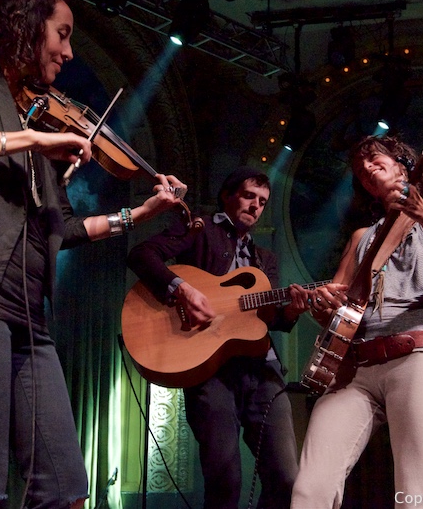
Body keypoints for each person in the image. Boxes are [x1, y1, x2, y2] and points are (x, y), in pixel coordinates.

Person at [0, 0, 186, 509]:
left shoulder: (37, 117)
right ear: (27, 26)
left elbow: (66, 230)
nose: (68, 50)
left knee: (64, 489)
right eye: (61, 33)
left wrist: (139, 213)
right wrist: (32, 138)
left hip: (28, 317)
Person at [290, 135, 423, 509]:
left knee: (416, 494)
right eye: (359, 170)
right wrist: (319, 305)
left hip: (417, 356)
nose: (367, 171)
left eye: (374, 161)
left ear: (403, 166)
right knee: (311, 489)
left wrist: (421, 212)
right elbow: (338, 308)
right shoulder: (362, 237)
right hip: (356, 367)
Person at [126, 166, 309, 509]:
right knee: (225, 481)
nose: (256, 206)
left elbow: (272, 318)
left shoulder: (265, 259)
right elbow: (142, 255)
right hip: (210, 371)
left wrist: (295, 309)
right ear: (227, 195)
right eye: (249, 196)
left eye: (263, 202)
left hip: (263, 372)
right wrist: (181, 290)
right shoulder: (199, 229)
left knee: (286, 480)